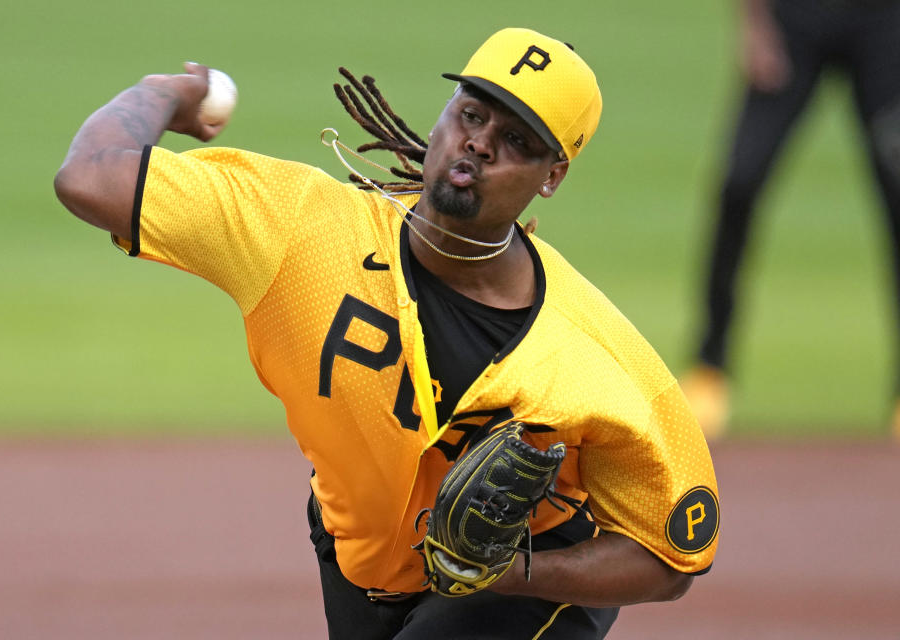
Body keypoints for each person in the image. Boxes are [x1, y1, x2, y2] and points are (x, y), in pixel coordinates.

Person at [55, 27, 719, 639]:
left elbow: (670, 554)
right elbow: (90, 178)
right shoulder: (300, 232)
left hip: (524, 580)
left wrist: (515, 571)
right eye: (472, 113)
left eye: (518, 141)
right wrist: (165, 93)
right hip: (357, 551)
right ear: (445, 114)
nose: (481, 143)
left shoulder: (592, 357)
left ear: (553, 177)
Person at [679, 0, 900, 440]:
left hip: (883, 21)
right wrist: (755, 25)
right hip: (794, 18)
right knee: (739, 181)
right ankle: (710, 369)